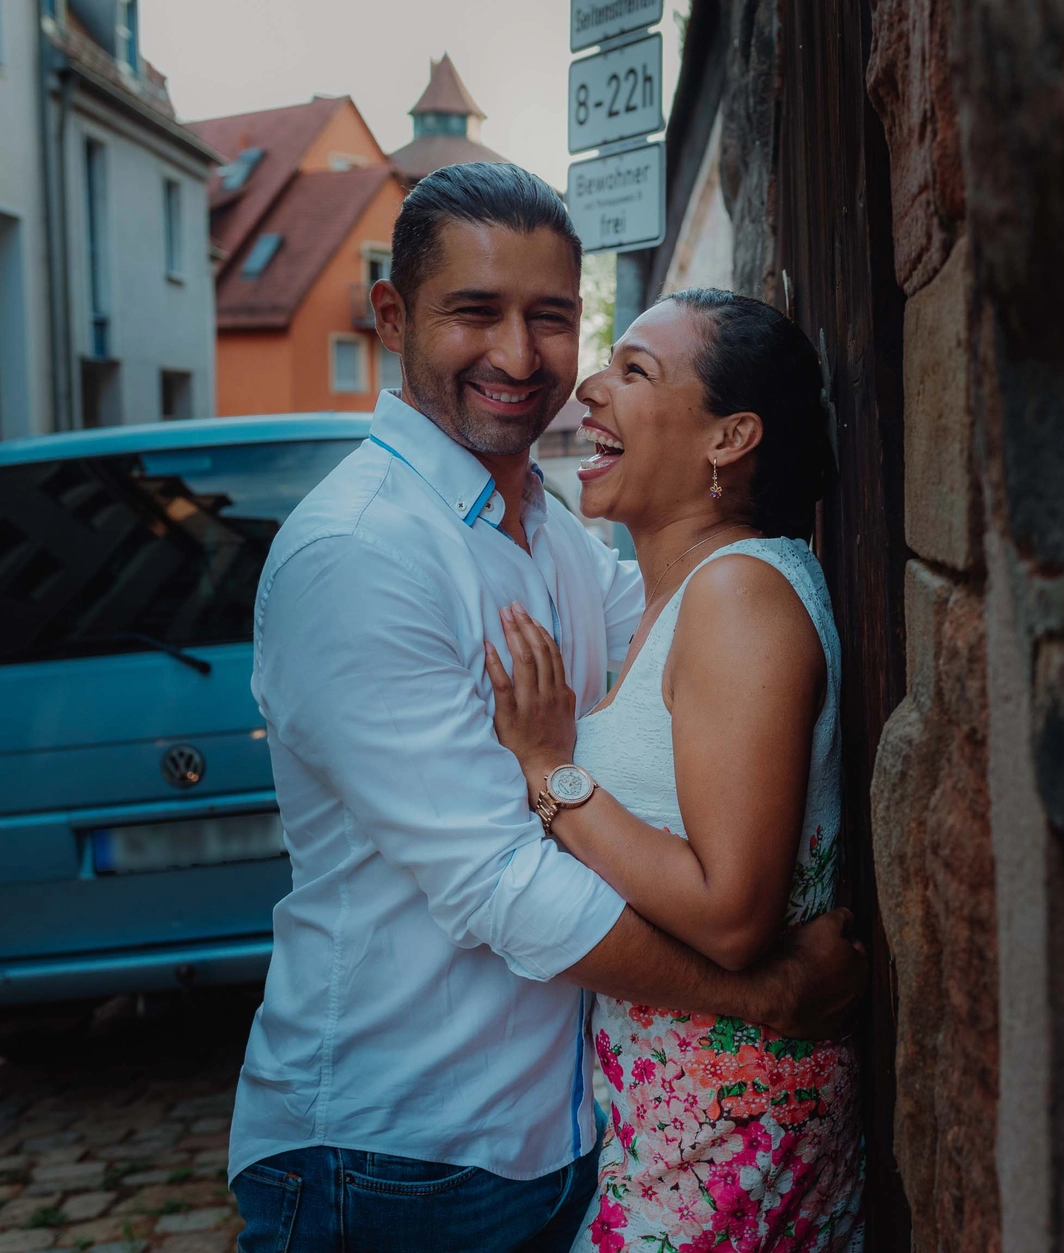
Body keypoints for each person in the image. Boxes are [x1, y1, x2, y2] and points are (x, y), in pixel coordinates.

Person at [228, 164, 865, 1253]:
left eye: (553, 317)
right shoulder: (360, 552)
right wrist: (762, 994)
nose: (521, 357)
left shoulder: (556, 533)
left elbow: (686, 655)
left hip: (573, 1138)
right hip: (397, 1155)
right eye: (475, 312)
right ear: (393, 317)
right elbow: (498, 879)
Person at [482, 288, 863, 1251]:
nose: (590, 386)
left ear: (729, 438)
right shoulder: (685, 592)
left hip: (731, 1135)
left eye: (636, 370)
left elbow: (734, 915)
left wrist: (552, 772)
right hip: (679, 1128)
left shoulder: (738, 595)